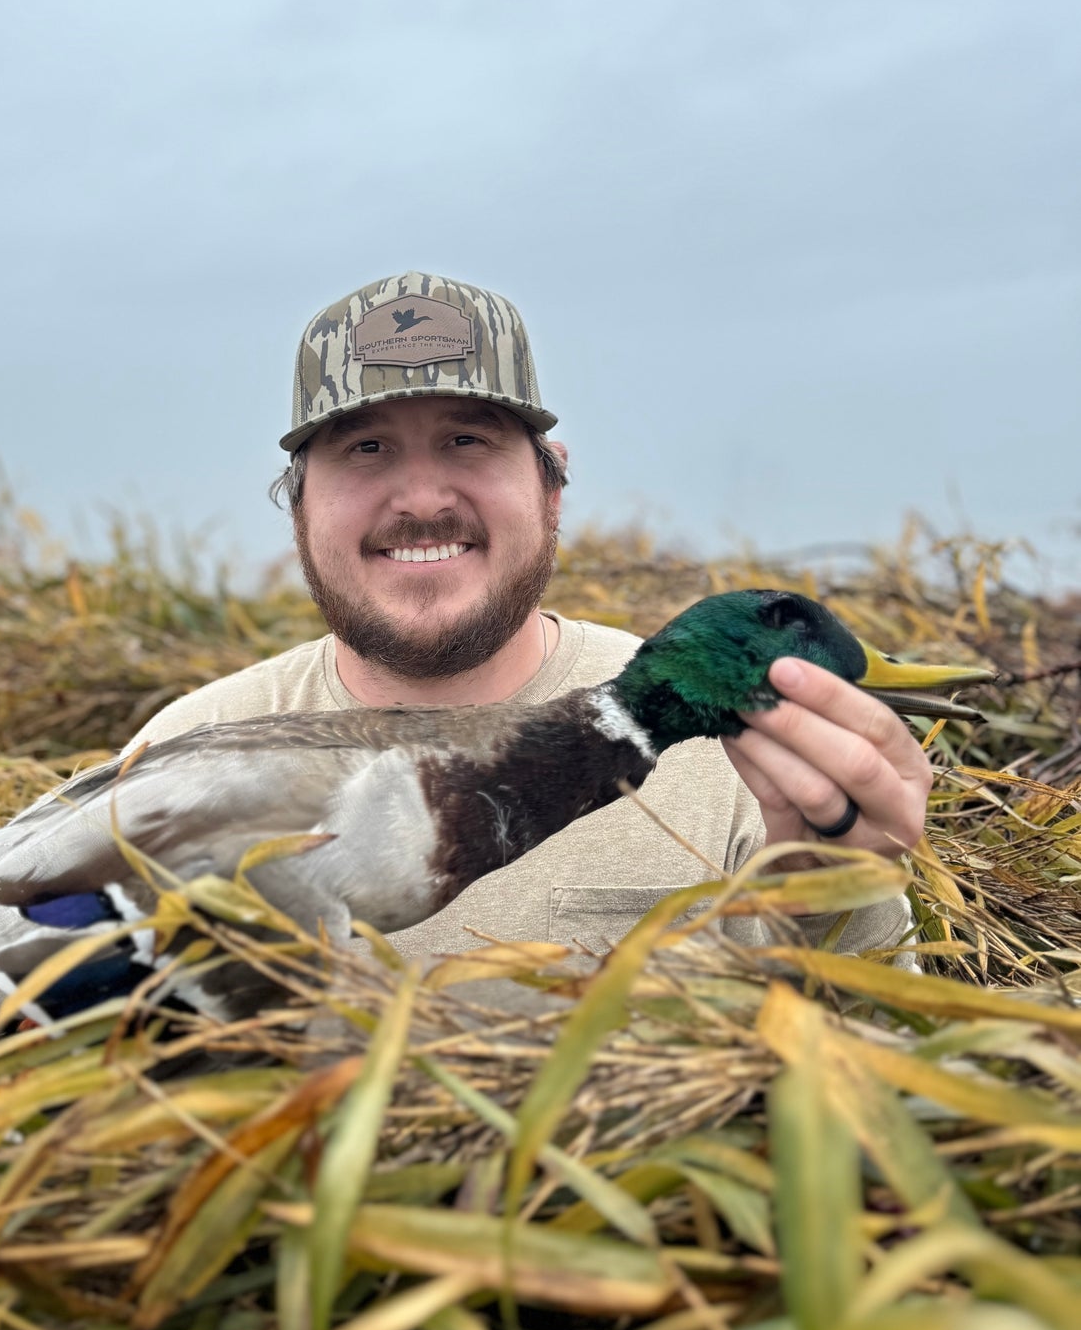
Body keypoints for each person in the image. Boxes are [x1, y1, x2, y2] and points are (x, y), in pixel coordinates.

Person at [129, 272, 921, 961]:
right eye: (364, 448)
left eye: (466, 439)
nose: (422, 499)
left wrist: (837, 898)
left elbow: (872, 1044)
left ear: (551, 484)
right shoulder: (178, 755)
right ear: (298, 502)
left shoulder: (743, 758)